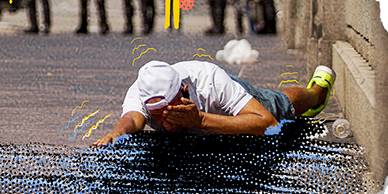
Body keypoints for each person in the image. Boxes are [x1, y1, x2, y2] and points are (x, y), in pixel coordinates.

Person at [93, 60, 335, 146]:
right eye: (157, 116)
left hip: (227, 100)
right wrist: (116, 133)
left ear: (185, 91)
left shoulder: (210, 81)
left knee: (282, 106)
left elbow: (268, 124)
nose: (166, 122)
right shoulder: (142, 92)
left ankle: (316, 93)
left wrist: (201, 120)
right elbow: (131, 120)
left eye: (171, 111)